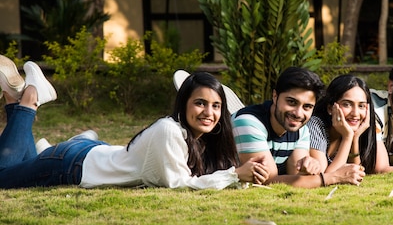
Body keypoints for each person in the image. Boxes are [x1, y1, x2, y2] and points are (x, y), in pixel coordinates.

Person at [0, 56, 268, 189]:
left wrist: (244, 175)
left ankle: (15, 100)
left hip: (92, 154)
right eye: (200, 103)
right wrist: (234, 176)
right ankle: (31, 98)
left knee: (19, 166)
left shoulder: (205, 140)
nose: (208, 112)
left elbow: (207, 176)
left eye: (216, 106)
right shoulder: (169, 130)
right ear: (183, 103)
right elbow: (177, 185)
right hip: (72, 166)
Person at [232, 67, 366, 188]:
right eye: (291, 102)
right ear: (275, 96)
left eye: (307, 107)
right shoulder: (249, 122)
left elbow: (296, 177)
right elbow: (268, 181)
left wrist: (307, 169)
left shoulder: (301, 129)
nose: (298, 113)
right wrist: (334, 177)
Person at [308, 74, 389, 179]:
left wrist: (355, 138)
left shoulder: (351, 131)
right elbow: (325, 177)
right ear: (330, 108)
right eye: (347, 104)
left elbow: (355, 169)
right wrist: (348, 137)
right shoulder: (315, 125)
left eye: (361, 106)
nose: (355, 113)